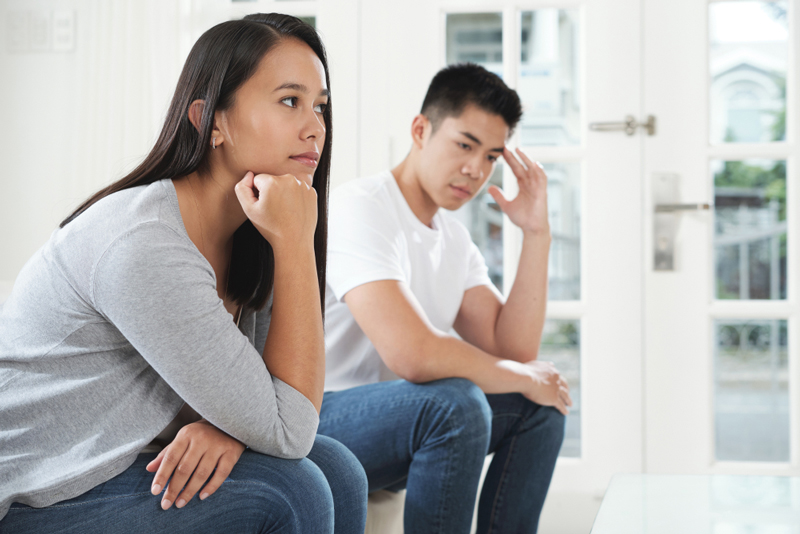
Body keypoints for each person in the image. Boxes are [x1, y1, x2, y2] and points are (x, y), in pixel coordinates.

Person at [0, 13, 367, 534]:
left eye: (320, 106)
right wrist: (295, 242)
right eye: (290, 101)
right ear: (211, 120)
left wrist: (232, 428)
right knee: (292, 489)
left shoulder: (254, 228)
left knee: (339, 470)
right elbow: (289, 428)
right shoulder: (143, 244)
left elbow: (276, 407)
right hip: (32, 492)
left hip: (113, 462)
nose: (315, 127)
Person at [317, 63, 572, 533]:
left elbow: (513, 351)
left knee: (541, 405)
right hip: (323, 421)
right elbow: (412, 354)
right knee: (455, 403)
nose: (476, 169)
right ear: (421, 130)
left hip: (405, 422)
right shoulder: (361, 207)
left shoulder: (453, 239)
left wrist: (537, 233)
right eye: (465, 145)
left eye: (491, 156)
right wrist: (518, 373)